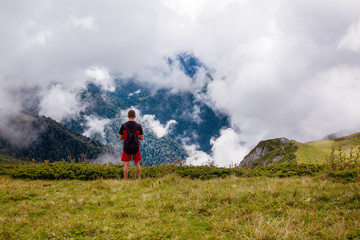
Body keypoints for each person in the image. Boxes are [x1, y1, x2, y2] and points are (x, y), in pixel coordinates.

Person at [119, 110, 144, 180]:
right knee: (137, 163)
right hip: (136, 147)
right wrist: (137, 136)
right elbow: (141, 138)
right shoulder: (139, 126)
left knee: (126, 164)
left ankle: (125, 180)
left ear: (128, 116)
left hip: (126, 147)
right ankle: (139, 178)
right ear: (135, 116)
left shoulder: (123, 126)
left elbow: (120, 138)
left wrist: (126, 136)